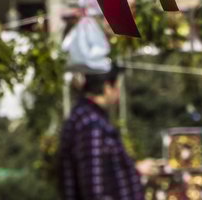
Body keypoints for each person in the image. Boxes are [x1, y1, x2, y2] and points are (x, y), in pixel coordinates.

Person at [57, 68, 154, 200]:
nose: (119, 94)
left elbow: (102, 169)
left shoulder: (89, 118)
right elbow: (94, 187)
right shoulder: (91, 124)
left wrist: (135, 170)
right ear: (107, 87)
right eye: (118, 88)